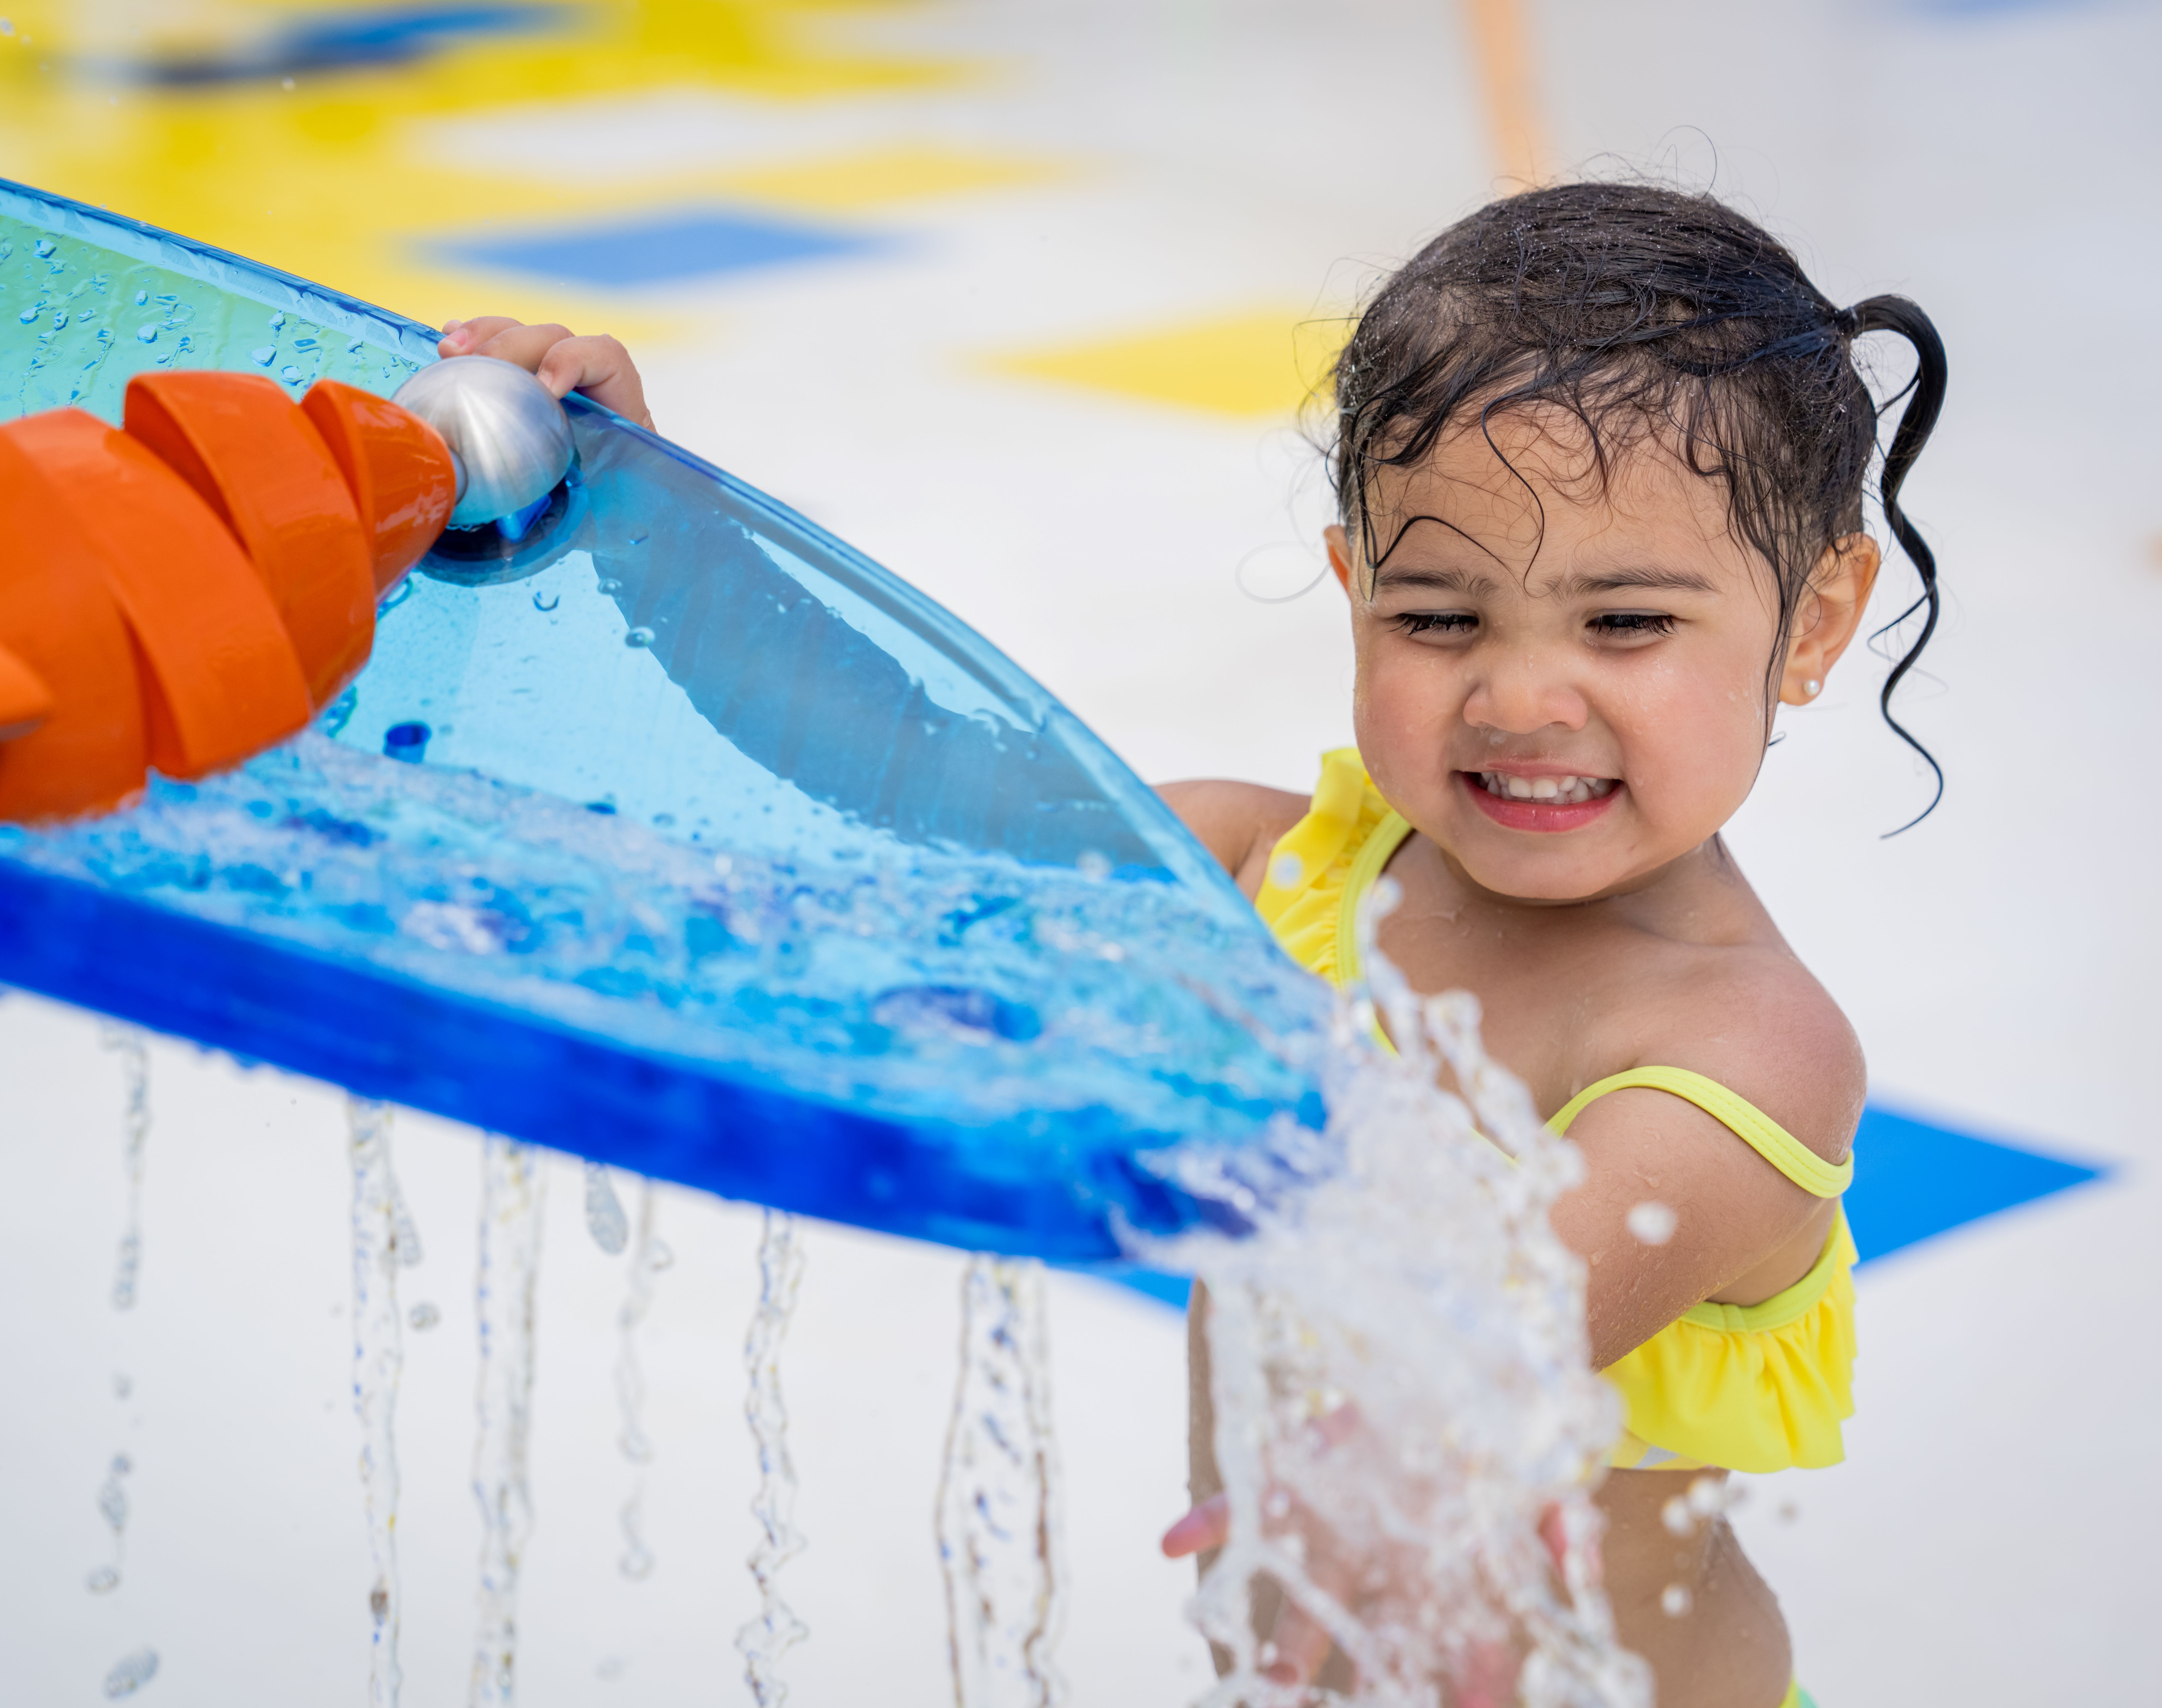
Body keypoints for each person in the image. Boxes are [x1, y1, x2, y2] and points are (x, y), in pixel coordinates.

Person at [441, 179, 1946, 1708]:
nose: (1519, 697)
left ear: (1815, 623)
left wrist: (1373, 1485)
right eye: (1440, 618)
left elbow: (1474, 1345)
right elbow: (901, 771)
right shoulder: (1273, 868)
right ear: (1357, 588)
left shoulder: (1742, 1051)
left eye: (1625, 625)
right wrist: (647, 532)